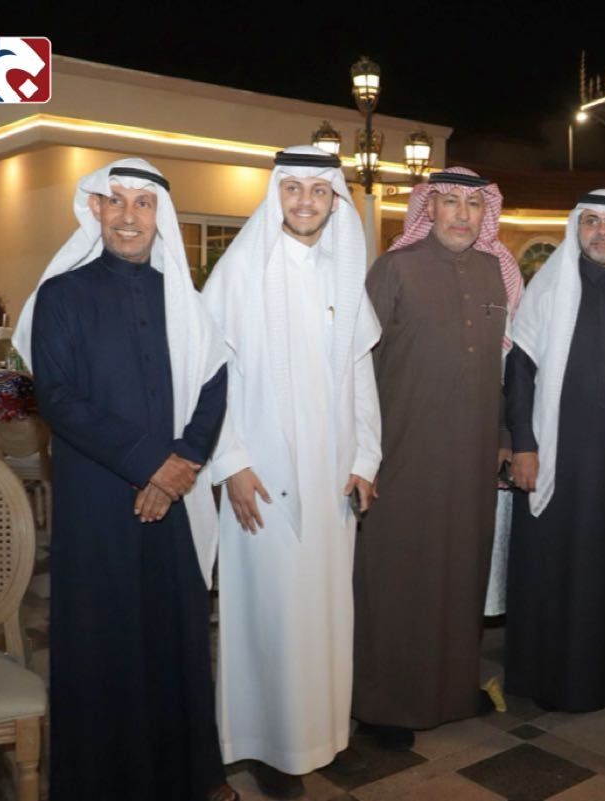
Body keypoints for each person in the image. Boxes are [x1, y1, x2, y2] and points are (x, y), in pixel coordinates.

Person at [14, 159, 234, 801]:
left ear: (160, 215)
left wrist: (178, 466)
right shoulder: (61, 295)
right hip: (96, 501)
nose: (129, 216)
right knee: (103, 640)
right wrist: (150, 464)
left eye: (143, 203)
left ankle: (190, 776)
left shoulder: (183, 298)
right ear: (95, 210)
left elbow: (215, 382)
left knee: (175, 636)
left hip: (174, 498)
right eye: (116, 201)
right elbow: (57, 398)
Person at [201, 146, 381, 798]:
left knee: (327, 615)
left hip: (332, 476)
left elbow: (360, 374)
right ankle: (270, 747)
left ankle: (323, 735)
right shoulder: (240, 272)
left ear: (335, 199)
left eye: (319, 190)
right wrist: (231, 463)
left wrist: (365, 458)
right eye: (293, 188)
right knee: (271, 615)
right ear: (275, 193)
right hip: (263, 479)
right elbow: (209, 380)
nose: (306, 201)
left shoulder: (342, 273)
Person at [354, 167, 523, 748]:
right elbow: (359, 368)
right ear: (428, 208)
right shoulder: (395, 269)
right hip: (403, 454)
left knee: (459, 573)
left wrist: (503, 433)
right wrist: (361, 453)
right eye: (449, 202)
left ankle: (450, 692)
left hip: (473, 459)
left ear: (485, 214)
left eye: (473, 205)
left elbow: (500, 369)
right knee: (399, 575)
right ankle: (382, 703)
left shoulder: (494, 272)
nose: (461, 215)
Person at [503, 189, 605, 712]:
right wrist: (524, 447)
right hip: (555, 458)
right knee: (552, 569)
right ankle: (546, 677)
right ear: (576, 227)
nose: (602, 231)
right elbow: (519, 372)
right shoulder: (548, 289)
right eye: (592, 221)